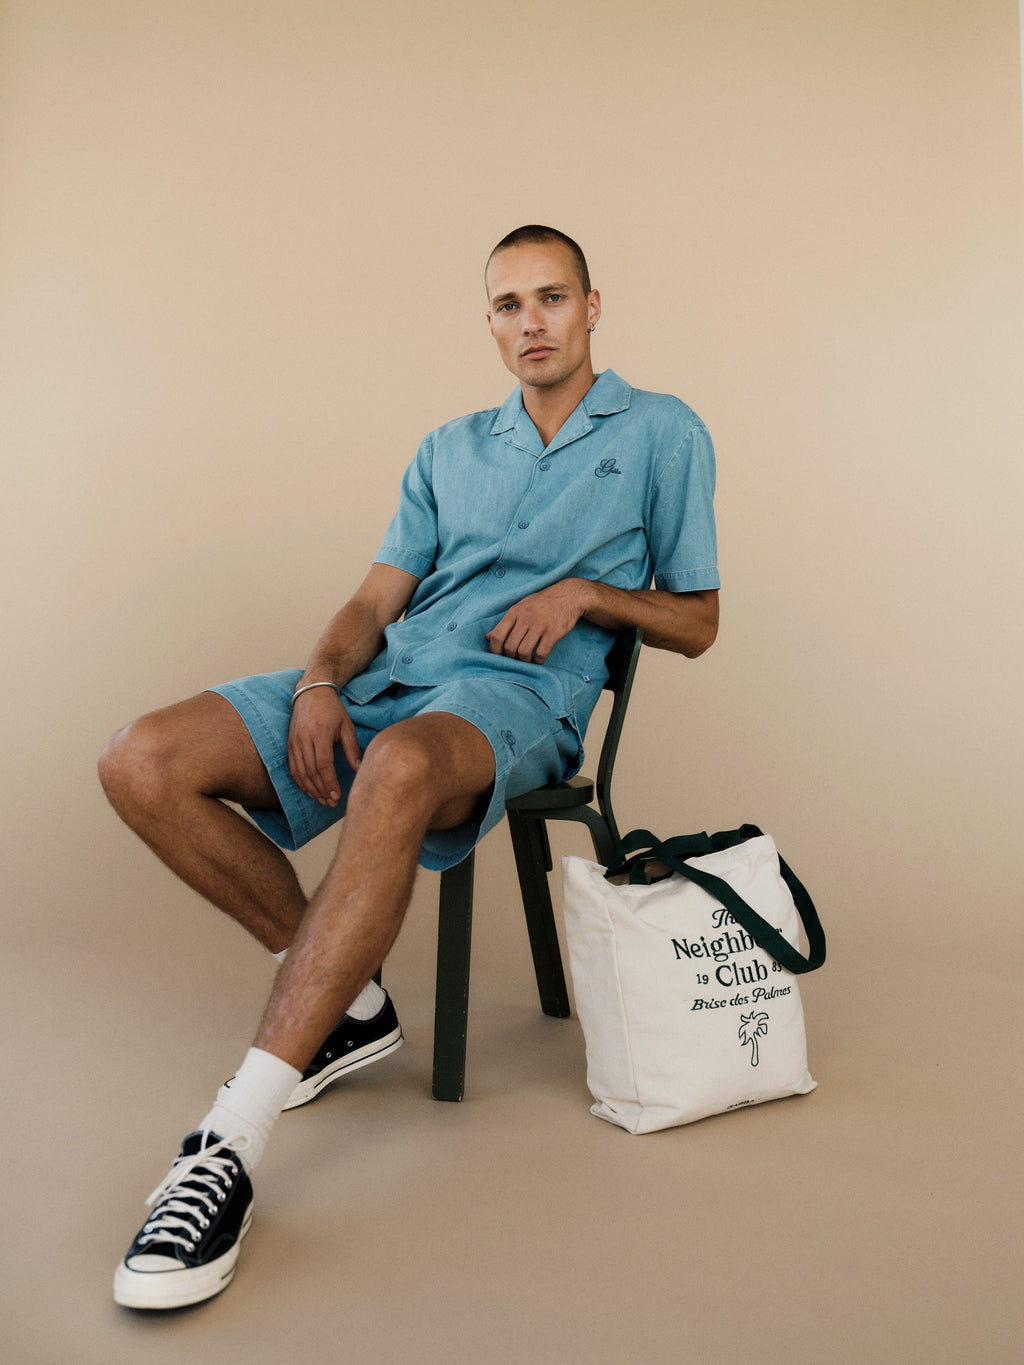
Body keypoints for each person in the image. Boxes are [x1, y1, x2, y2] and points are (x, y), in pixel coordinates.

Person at [99, 225, 721, 1310]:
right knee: (140, 758)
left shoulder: (662, 431)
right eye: (506, 305)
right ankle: (344, 998)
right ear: (488, 323)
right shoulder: (448, 447)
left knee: (393, 765)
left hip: (519, 700)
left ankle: (225, 1145)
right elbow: (372, 602)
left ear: (592, 307)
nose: (530, 322)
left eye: (551, 298)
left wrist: (587, 597)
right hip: (393, 680)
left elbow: (700, 620)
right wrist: (317, 682)